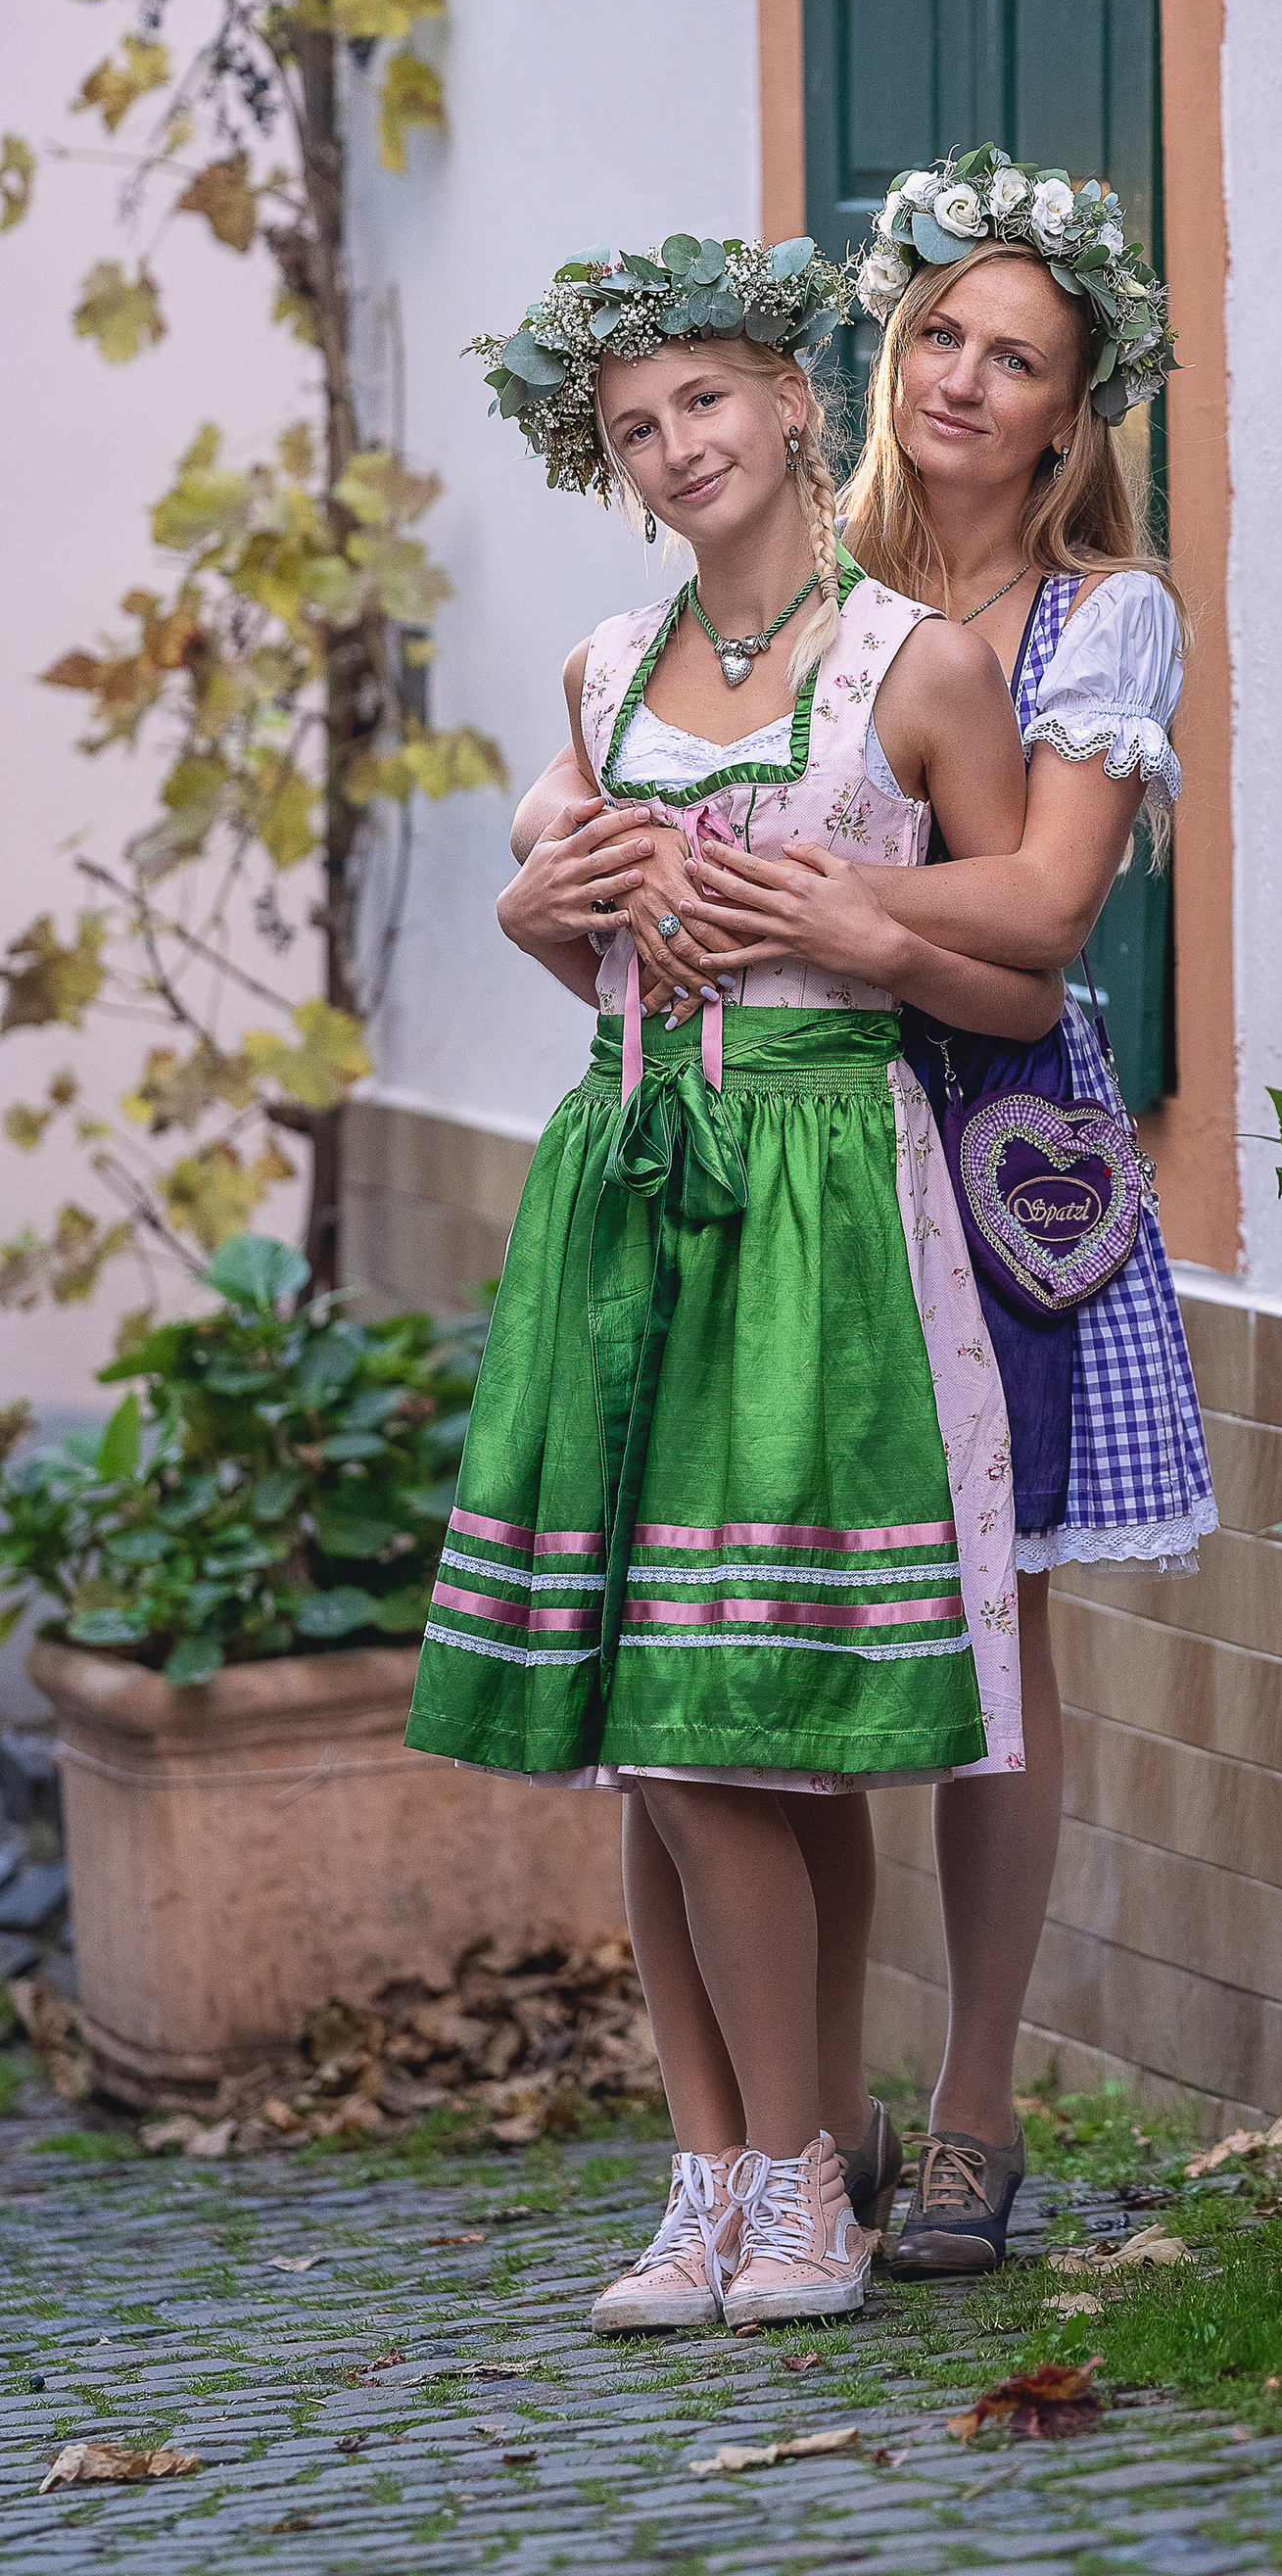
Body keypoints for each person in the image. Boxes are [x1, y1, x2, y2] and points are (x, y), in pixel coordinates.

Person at [509, 152, 1214, 2279]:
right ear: (866, 362)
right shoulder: (779, 573)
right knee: (765, 1617)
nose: (966, 384)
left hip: (984, 1134)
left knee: (986, 1609)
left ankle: (974, 2103)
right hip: (753, 1140)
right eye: (939, 340)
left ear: (1076, 414)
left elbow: (1049, 908)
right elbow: (601, 792)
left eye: (1018, 360)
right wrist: (564, 863)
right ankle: (784, 2141)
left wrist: (836, 908)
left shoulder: (1098, 617)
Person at [405, 229, 1062, 2336]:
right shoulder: (606, 676)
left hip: (822, 1202)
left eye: (704, 402)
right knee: (644, 1715)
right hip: (628, 1183)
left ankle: (800, 2188)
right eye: (632, 431)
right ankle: (715, 2181)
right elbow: (566, 936)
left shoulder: (915, 667)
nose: (676, 446)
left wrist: (855, 928)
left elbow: (1023, 980)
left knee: (741, 1722)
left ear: (795, 403)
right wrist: (553, 898)